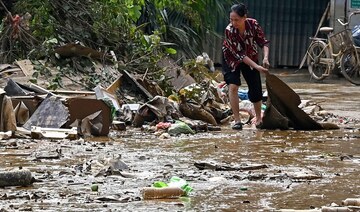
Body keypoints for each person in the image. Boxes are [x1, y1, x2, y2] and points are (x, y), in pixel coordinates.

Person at [222, 3, 270, 130]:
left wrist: (265, 57)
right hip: (231, 58)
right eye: (231, 19)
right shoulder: (229, 30)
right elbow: (240, 55)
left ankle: (259, 118)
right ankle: (237, 121)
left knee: (255, 88)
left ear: (244, 18)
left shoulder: (253, 24)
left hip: (251, 55)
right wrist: (257, 67)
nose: (233, 22)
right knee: (233, 85)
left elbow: (263, 42)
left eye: (236, 20)